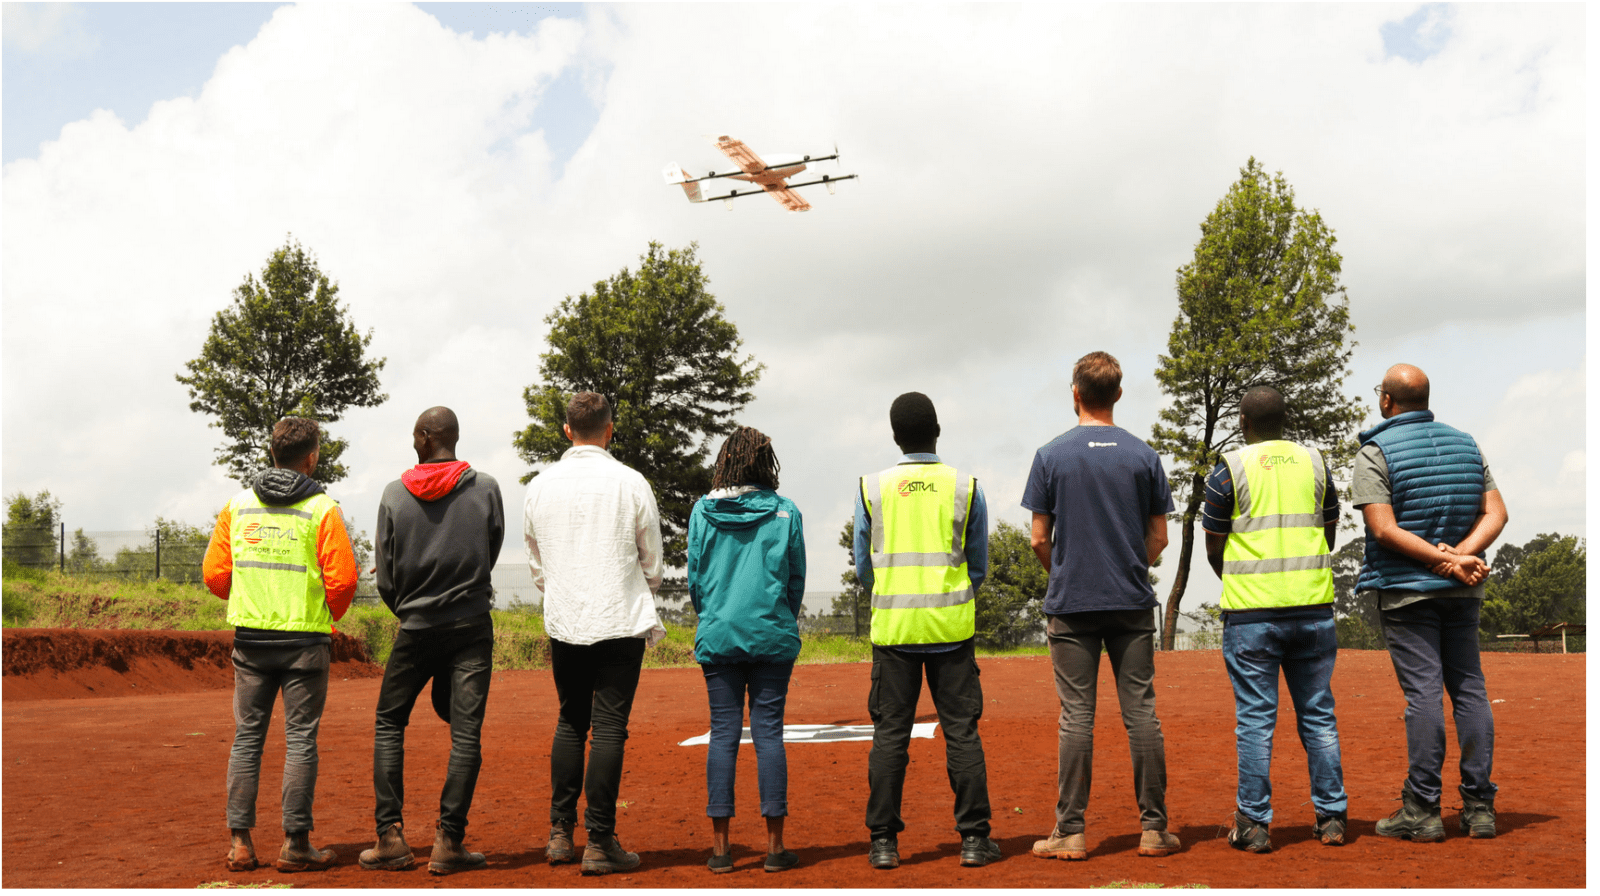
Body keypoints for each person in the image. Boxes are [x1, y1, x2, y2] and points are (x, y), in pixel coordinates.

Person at [1021, 351, 1180, 861]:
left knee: (1076, 717)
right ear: (1117, 394)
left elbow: (1039, 539)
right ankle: (1154, 830)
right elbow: (1159, 537)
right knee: (1142, 713)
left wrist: (1067, 572)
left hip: (1072, 605)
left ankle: (1070, 831)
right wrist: (1130, 563)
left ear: (1075, 393)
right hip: (1131, 602)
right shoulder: (1143, 455)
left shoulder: (1050, 455)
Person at [1354, 364, 1507, 841]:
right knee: (1470, 690)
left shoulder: (1375, 451)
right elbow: (1497, 512)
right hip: (1464, 593)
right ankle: (1480, 808)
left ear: (1386, 400)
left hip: (1406, 594)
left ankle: (1422, 809)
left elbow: (1383, 528)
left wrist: (1447, 561)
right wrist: (1461, 558)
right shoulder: (1467, 443)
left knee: (1422, 695)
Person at [203, 417, 357, 873]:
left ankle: (240, 844)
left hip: (250, 641)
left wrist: (250, 594)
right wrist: (325, 613)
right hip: (305, 643)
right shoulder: (323, 509)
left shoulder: (237, 506)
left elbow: (215, 574)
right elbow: (343, 580)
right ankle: (295, 844)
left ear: (272, 453)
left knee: (247, 738)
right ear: (310, 458)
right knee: (301, 740)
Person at [854, 391, 999, 870]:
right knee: (961, 733)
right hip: (951, 627)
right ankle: (975, 839)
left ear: (896, 437)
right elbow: (976, 565)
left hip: (894, 629)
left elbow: (863, 567)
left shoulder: (871, 487)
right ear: (937, 432)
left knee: (890, 736)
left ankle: (882, 843)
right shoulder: (965, 486)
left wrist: (894, 590)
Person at [524, 391, 666, 875]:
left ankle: (559, 833)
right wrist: (636, 584)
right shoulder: (631, 483)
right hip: (618, 617)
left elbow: (536, 561)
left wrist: (561, 590)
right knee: (609, 727)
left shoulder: (540, 486)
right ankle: (600, 840)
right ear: (609, 430)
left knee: (570, 721)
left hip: (566, 619)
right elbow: (653, 561)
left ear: (567, 430)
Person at [1201, 385, 1348, 853]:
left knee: (1255, 721)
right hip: (1313, 609)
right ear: (1286, 420)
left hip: (1252, 616)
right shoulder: (1317, 464)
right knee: (1319, 715)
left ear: (1242, 421)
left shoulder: (1228, 471)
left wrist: (1245, 580)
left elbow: (1213, 545)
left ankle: (1255, 824)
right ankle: (1332, 819)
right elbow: (1328, 531)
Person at [359, 407, 504, 875]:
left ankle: (390, 838)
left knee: (388, 722)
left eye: (414, 435)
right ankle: (448, 842)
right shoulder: (485, 488)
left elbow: (385, 569)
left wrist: (408, 609)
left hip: (416, 627)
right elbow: (492, 546)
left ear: (426, 436)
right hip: (471, 626)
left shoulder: (394, 494)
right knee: (465, 733)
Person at [686, 426, 806, 874]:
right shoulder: (785, 512)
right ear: (765, 465)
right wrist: (778, 619)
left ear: (726, 462)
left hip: (719, 636)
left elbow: (696, 578)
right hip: (773, 636)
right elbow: (796, 580)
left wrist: (713, 615)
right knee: (769, 732)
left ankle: (721, 852)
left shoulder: (702, 511)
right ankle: (775, 849)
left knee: (723, 733)